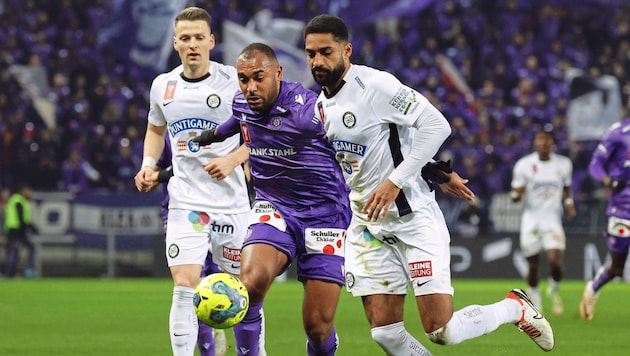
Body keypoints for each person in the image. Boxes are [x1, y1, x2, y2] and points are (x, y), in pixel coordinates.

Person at [302, 14, 554, 355]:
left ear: (347, 50)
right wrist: (431, 168)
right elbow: (381, 150)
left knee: (441, 330)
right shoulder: (321, 104)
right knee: (385, 334)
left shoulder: (376, 87)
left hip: (413, 219)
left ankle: (515, 308)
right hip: (367, 226)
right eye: (311, 53)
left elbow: (437, 126)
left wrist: (395, 181)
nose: (318, 61)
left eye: (326, 52)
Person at [192, 42, 352, 356]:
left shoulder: (309, 111)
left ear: (277, 73)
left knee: (317, 327)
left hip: (326, 217)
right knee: (248, 286)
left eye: (258, 77)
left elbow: (357, 136)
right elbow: (236, 122)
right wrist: (212, 136)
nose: (250, 87)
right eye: (243, 79)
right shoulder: (241, 103)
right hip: (274, 206)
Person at [133, 7, 251, 356]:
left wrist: (233, 159)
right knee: (185, 287)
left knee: (243, 292)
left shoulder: (233, 81)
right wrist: (148, 164)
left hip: (232, 205)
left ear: (212, 41)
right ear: (175, 44)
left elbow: (263, 132)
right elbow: (155, 129)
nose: (193, 44)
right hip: (186, 202)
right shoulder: (163, 87)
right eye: (185, 38)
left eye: (199, 37)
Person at [151, 135, 227, 356]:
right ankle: (208, 349)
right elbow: (156, 170)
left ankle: (213, 329)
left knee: (217, 279)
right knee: (194, 286)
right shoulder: (169, 129)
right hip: (185, 210)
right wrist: (152, 174)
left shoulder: (219, 122)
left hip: (222, 208)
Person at [510, 127, 575, 315]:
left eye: (546, 139)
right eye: (540, 139)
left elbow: (567, 188)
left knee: (556, 262)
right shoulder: (524, 165)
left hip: (552, 219)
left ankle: (553, 287)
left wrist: (569, 204)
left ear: (552, 143)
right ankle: (535, 295)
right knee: (533, 264)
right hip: (531, 220)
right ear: (535, 142)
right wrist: (517, 194)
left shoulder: (563, 164)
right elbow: (515, 194)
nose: (543, 143)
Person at [580, 111, 630, 320]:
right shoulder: (618, 132)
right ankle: (593, 287)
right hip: (623, 208)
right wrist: (608, 181)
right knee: (617, 267)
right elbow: (596, 164)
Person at [2, 183, 38, 278]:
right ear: (23, 191)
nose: (30, 193)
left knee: (17, 252)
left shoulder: (16, 200)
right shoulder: (18, 200)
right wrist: (30, 227)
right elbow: (21, 217)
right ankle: (10, 274)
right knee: (14, 253)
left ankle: (13, 273)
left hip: (15, 231)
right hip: (15, 231)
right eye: (28, 191)